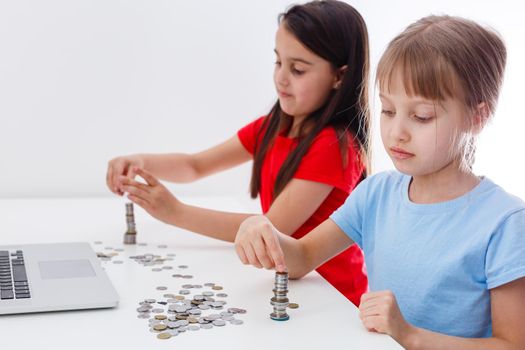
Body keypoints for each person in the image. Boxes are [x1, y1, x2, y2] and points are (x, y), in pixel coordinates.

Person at [234, 15, 525, 348]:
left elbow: (513, 344)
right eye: (387, 110)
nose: (396, 132)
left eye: (421, 116)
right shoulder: (376, 194)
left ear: (478, 116)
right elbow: (301, 258)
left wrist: (410, 336)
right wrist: (262, 231)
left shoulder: (505, 222)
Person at [106, 0, 371, 306]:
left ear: (340, 76)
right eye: (278, 62)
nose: (281, 78)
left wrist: (175, 212)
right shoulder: (273, 126)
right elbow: (195, 165)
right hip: (288, 284)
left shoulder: (333, 146)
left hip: (331, 299)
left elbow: (271, 229)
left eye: (297, 69)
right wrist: (140, 161)